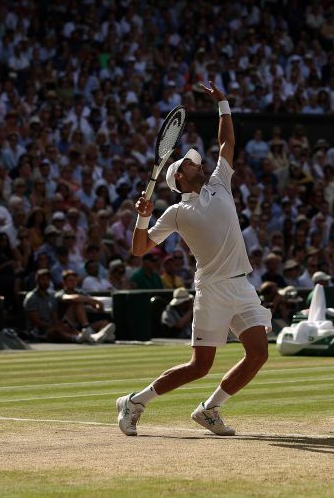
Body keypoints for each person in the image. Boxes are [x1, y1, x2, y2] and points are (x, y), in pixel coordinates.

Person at [118, 82, 271, 437]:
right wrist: (143, 216)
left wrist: (223, 104)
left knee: (259, 352)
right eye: (189, 163)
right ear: (180, 177)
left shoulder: (220, 182)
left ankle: (210, 409)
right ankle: (134, 402)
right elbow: (139, 250)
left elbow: (227, 143)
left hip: (241, 285)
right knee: (199, 366)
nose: (196, 162)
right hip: (213, 290)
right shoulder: (174, 211)